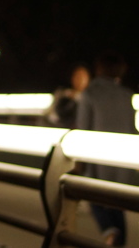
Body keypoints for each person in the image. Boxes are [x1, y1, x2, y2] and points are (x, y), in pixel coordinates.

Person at [77, 51, 136, 247]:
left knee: (94, 198)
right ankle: (119, 242)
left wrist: (79, 161)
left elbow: (82, 129)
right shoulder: (127, 95)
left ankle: (109, 232)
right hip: (122, 158)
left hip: (97, 157)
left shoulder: (89, 94)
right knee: (118, 204)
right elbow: (131, 128)